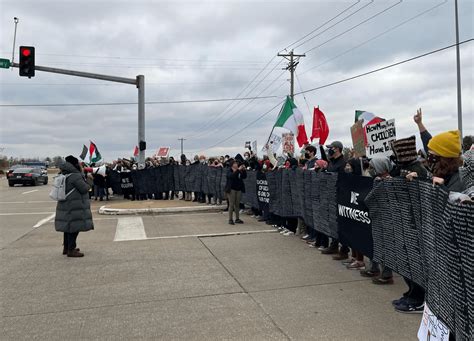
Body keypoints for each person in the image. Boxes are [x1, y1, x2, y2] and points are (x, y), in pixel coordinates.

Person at [359, 156, 395, 284]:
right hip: (376, 217)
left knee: (385, 246)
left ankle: (387, 274)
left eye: (373, 167)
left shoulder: (389, 182)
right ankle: (374, 268)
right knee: (375, 243)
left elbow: (371, 198)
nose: (371, 169)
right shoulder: (377, 180)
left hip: (385, 220)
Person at [55, 155, 94, 257]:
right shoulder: (75, 176)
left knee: (68, 227)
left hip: (66, 204)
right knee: (74, 227)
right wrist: (90, 180)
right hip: (74, 205)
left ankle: (66, 247)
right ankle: (71, 250)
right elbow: (84, 189)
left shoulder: (63, 173)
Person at [321, 141, 349, 260]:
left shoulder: (343, 163)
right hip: (332, 195)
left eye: (331, 148)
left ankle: (344, 250)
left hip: (341, 196)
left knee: (342, 224)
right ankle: (334, 245)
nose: (329, 150)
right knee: (333, 222)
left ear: (337, 149)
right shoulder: (332, 162)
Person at [226, 160, 247, 225]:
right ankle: (230, 219)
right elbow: (232, 176)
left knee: (237, 204)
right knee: (231, 204)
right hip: (231, 189)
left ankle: (237, 218)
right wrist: (238, 170)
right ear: (232, 165)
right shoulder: (229, 171)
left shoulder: (239, 170)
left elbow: (244, 177)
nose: (236, 164)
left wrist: (243, 170)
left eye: (237, 163)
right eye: (235, 163)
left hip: (238, 189)